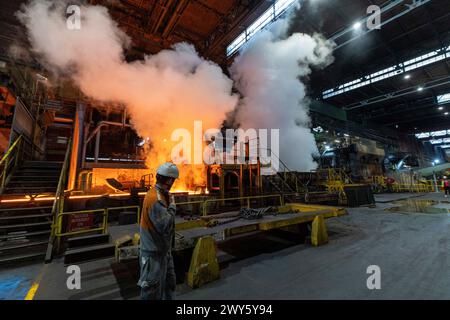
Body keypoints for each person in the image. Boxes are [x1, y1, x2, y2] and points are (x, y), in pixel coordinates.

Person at [138, 162, 179, 300]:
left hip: (163, 252)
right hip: (153, 254)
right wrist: (173, 206)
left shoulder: (160, 194)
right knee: (151, 291)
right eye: (173, 180)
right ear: (169, 180)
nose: (173, 183)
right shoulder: (155, 198)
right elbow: (165, 225)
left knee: (169, 285)